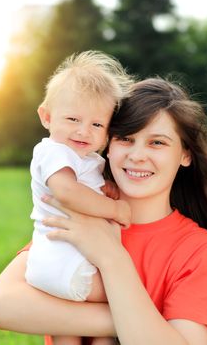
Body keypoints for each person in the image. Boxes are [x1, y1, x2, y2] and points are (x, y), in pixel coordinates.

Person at [0, 77, 207, 345]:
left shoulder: (198, 251)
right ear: (106, 144)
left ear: (185, 154)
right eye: (125, 138)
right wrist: (128, 320)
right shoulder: (80, 221)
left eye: (157, 143)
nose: (137, 155)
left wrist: (112, 258)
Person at [24, 50, 133, 345]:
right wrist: (115, 208)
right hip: (65, 262)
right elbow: (68, 192)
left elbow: (87, 186)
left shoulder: (85, 159)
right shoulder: (52, 151)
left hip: (58, 265)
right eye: (73, 118)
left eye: (97, 125)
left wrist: (106, 189)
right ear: (46, 117)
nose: (84, 130)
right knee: (123, 302)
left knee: (68, 330)